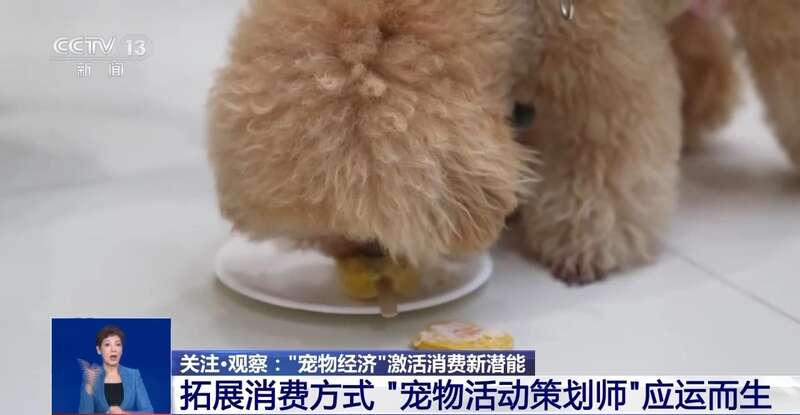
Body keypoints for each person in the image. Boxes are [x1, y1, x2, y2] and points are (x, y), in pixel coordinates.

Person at [78, 325, 153, 414]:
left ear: (122, 350)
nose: (113, 349)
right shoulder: (91, 376)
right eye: (107, 344)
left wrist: (123, 413)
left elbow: (148, 412)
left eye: (118, 344)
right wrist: (89, 386)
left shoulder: (133, 375)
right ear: (99, 350)